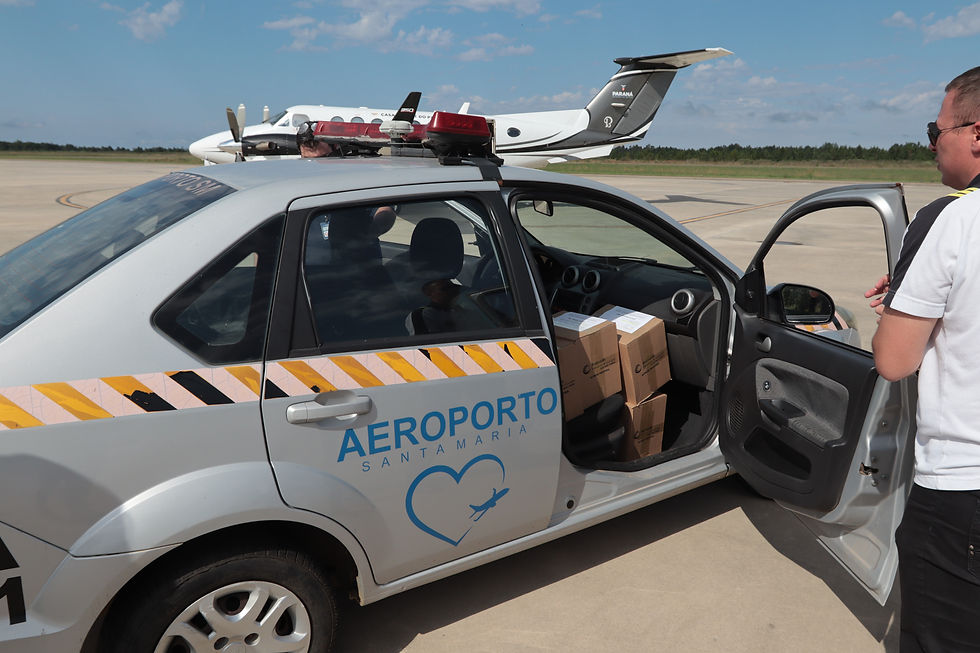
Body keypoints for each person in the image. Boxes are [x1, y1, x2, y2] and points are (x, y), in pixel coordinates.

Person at [865, 66, 980, 652]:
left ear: (977, 133)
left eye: (937, 132)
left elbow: (894, 360)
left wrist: (907, 298)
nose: (932, 146)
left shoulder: (952, 218)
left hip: (964, 492)